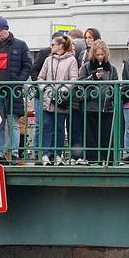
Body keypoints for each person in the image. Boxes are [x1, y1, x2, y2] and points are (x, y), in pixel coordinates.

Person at [0, 17, 33, 163]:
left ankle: (14, 153)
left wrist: (17, 82)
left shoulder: (20, 45)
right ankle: (0, 154)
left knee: (13, 123)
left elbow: (27, 66)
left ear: (7, 29)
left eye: (0, 30)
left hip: (13, 91)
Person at [36, 33, 79, 165]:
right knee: (46, 126)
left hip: (61, 100)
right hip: (47, 99)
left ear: (61, 46)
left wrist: (62, 90)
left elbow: (73, 79)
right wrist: (46, 88)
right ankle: (45, 154)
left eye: (53, 44)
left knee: (60, 127)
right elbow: (40, 77)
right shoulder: (48, 60)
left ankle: (58, 154)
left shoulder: (72, 60)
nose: (51, 47)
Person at [77, 39, 118, 165]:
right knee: (91, 135)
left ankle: (108, 159)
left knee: (106, 135)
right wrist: (93, 77)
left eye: (102, 54)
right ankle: (93, 159)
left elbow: (115, 84)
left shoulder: (111, 69)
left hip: (106, 107)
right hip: (90, 106)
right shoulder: (86, 67)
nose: (100, 57)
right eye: (98, 54)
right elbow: (80, 83)